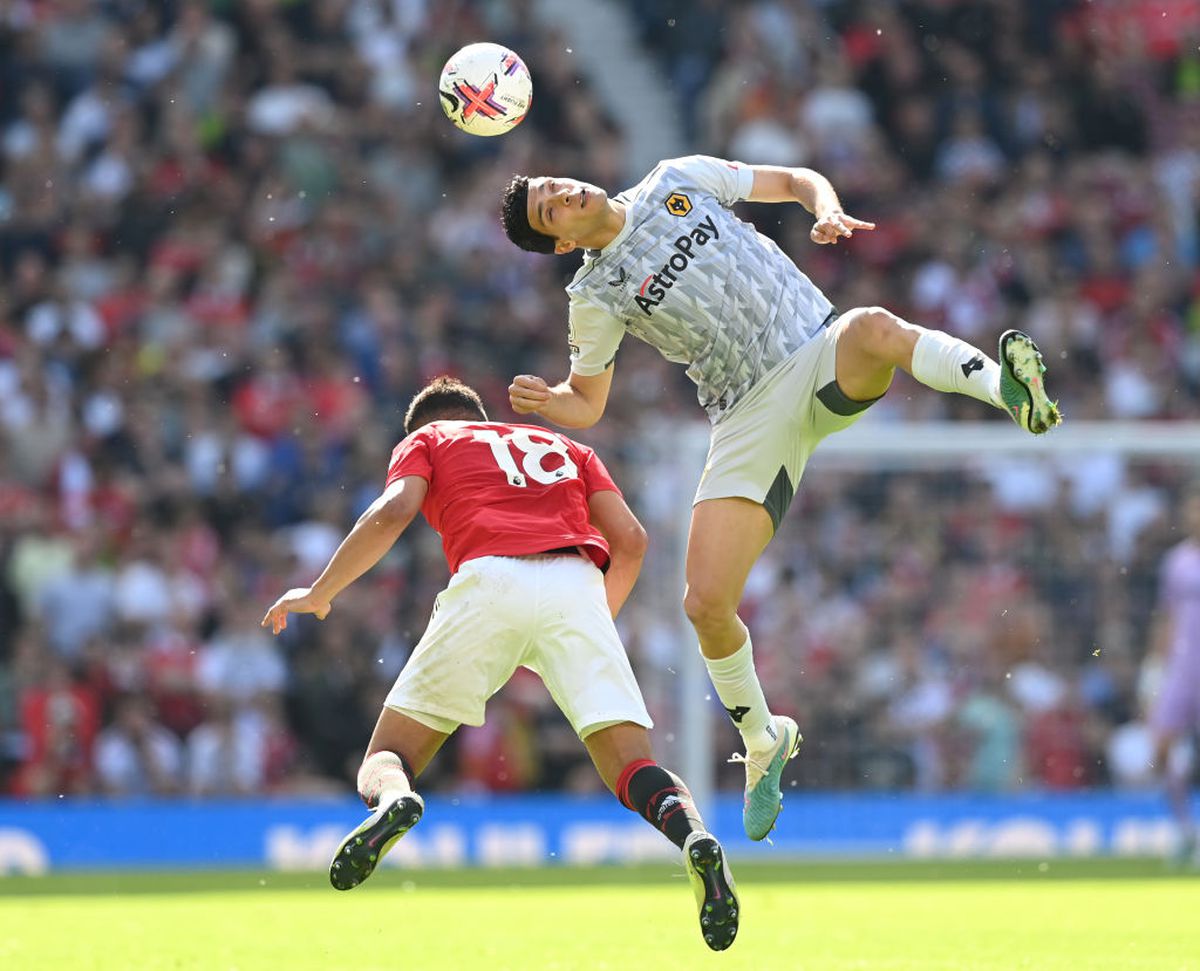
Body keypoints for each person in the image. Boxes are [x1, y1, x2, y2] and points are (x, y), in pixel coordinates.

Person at [499, 155, 1062, 840]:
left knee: (874, 326)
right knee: (704, 604)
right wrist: (550, 402)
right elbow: (587, 400)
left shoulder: (675, 180)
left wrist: (823, 206)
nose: (562, 192)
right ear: (560, 242)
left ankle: (1008, 389)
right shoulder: (593, 294)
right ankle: (765, 741)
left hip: (818, 349)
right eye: (549, 209)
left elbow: (794, 180)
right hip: (746, 415)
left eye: (554, 184)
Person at [261, 376, 740, 952]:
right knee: (631, 767)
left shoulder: (432, 438)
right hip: (578, 582)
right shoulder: (568, 448)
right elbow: (632, 541)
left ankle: (397, 801)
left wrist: (319, 591)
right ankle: (693, 839)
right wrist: (592, 618)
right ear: (485, 417)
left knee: (388, 757)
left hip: (489, 576)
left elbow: (394, 511)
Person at [1148, 489, 1200, 867]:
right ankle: (1185, 830)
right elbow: (1166, 616)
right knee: (1162, 747)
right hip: (1182, 669)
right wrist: (1154, 664)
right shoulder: (1177, 560)